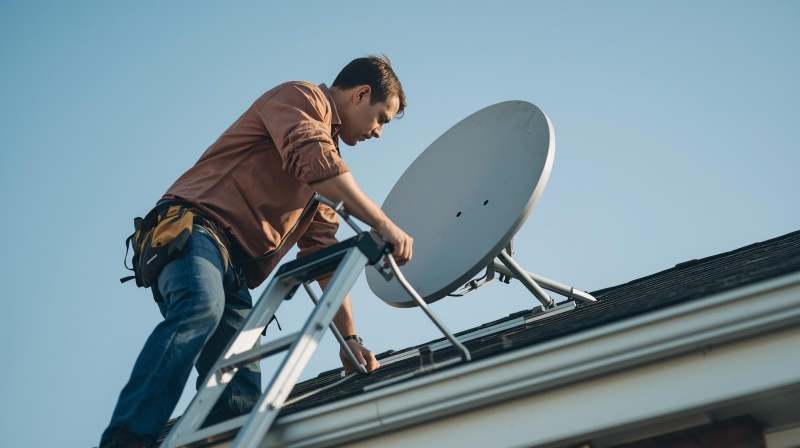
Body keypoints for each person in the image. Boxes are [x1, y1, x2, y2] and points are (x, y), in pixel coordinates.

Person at [100, 55, 413, 448]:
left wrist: (349, 340)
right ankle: (127, 439)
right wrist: (381, 223)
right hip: (197, 231)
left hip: (234, 272)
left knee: (238, 397)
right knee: (201, 306)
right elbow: (310, 154)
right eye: (382, 118)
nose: (379, 132)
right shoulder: (301, 98)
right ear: (362, 94)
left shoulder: (325, 180)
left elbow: (325, 257)